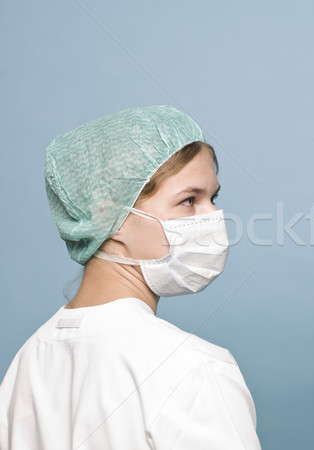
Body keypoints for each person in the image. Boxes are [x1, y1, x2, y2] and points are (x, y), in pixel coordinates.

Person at [0, 106, 261, 449]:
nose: (213, 217)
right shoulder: (193, 369)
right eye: (189, 200)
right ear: (112, 215)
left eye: (213, 198)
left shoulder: (28, 360)